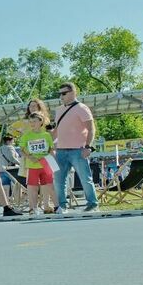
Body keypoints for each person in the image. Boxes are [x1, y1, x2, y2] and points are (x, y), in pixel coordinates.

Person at [52, 82, 99, 214]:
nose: (61, 96)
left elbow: (91, 128)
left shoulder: (82, 108)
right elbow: (56, 130)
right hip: (60, 150)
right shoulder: (59, 110)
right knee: (59, 180)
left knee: (85, 178)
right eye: (59, 94)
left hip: (78, 149)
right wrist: (48, 144)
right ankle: (62, 206)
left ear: (73, 93)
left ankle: (92, 204)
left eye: (64, 93)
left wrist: (88, 147)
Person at [18, 112, 56, 217]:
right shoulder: (26, 135)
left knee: (49, 186)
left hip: (45, 165)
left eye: (34, 121)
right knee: (32, 187)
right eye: (30, 122)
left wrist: (52, 160)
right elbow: (21, 150)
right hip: (32, 165)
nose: (32, 123)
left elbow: (51, 149)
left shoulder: (46, 135)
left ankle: (53, 206)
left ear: (41, 122)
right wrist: (30, 157)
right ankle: (33, 208)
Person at [0, 133, 24, 208]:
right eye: (12, 141)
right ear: (8, 141)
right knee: (17, 185)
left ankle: (7, 203)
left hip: (2, 169)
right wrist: (20, 164)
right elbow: (12, 158)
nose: (13, 142)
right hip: (11, 169)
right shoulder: (10, 148)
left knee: (5, 187)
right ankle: (17, 201)